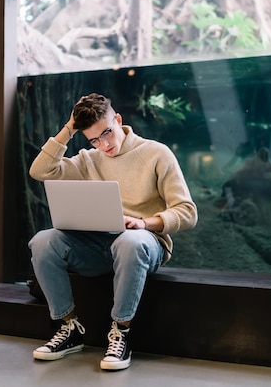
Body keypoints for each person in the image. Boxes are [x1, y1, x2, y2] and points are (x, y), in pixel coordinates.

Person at [28, 92, 198, 371]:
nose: (103, 144)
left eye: (107, 133)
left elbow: (187, 212)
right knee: (43, 241)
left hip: (144, 243)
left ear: (118, 120)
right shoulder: (88, 159)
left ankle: (122, 331)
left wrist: (145, 223)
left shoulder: (157, 153)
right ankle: (69, 328)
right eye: (94, 139)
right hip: (99, 245)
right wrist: (69, 129)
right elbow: (39, 170)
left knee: (130, 241)